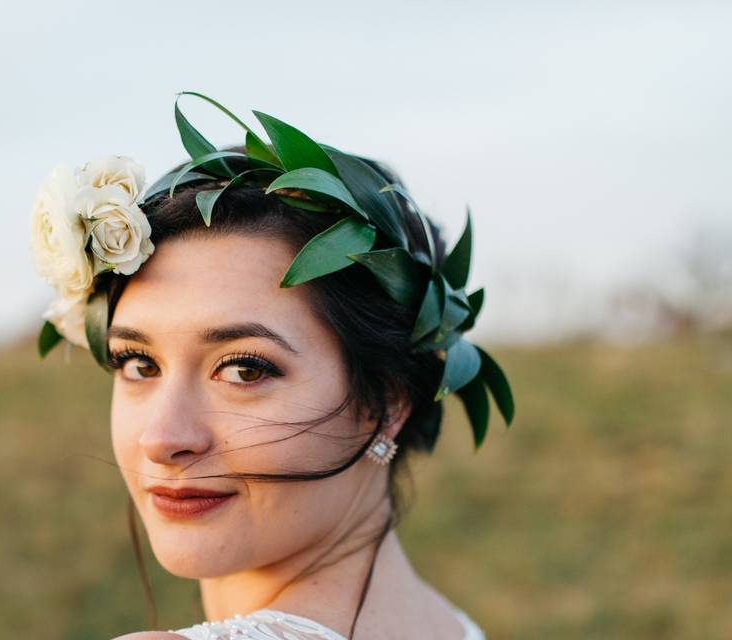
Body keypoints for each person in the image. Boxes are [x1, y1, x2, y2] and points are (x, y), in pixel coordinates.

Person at [28, 93, 513, 639]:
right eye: (138, 363)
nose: (162, 439)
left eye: (244, 370)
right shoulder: (448, 627)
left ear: (386, 401)